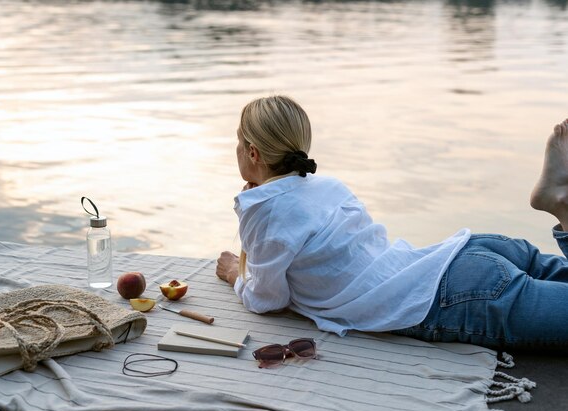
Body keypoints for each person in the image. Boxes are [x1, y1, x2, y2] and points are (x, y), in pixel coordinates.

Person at [216, 95, 568, 350]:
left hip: (453, 297)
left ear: (253, 153)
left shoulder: (263, 208)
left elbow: (267, 299)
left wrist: (236, 275)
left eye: (238, 140)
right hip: (465, 253)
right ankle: (560, 203)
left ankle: (563, 205)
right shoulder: (327, 186)